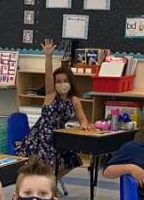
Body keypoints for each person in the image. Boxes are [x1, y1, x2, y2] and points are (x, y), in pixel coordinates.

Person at [17, 39, 91, 177]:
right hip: (42, 136)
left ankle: (52, 181)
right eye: (58, 82)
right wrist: (48, 56)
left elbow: (83, 119)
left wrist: (84, 124)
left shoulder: (74, 100)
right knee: (46, 162)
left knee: (74, 159)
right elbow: (48, 73)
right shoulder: (51, 95)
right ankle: (47, 182)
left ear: (70, 82)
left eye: (65, 81)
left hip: (60, 137)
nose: (61, 84)